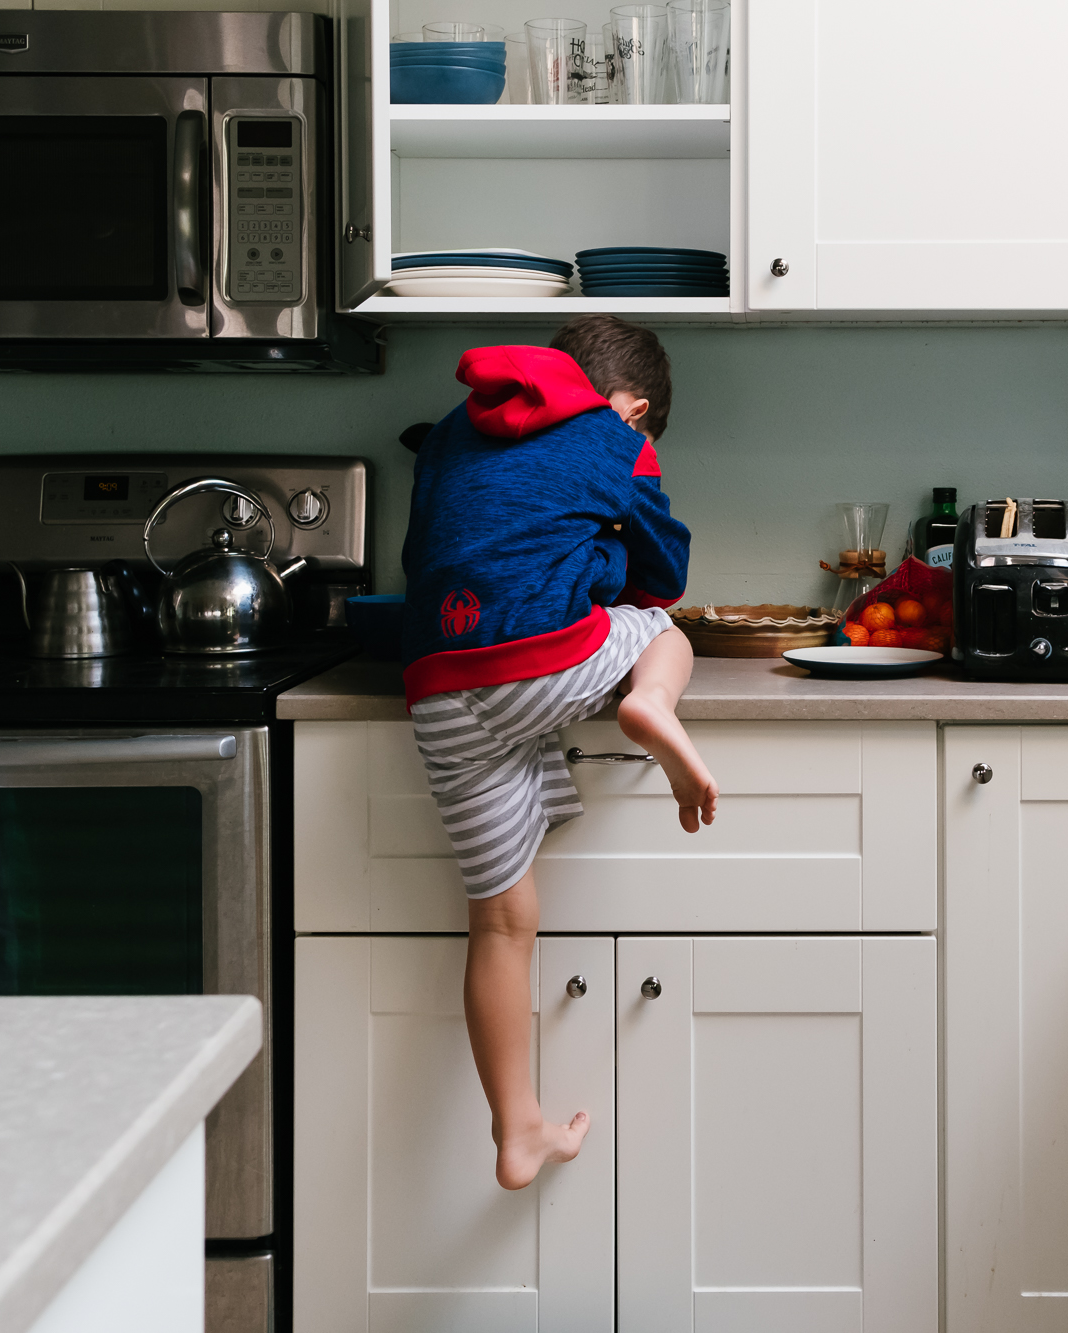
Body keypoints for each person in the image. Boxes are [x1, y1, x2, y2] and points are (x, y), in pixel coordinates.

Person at [400, 315, 719, 1190]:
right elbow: (663, 570)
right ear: (637, 408)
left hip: (436, 683)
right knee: (662, 629)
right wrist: (616, 556)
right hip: (546, 665)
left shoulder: (450, 435)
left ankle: (518, 1129)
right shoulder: (614, 437)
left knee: (501, 922)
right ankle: (653, 702)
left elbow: (426, 550)